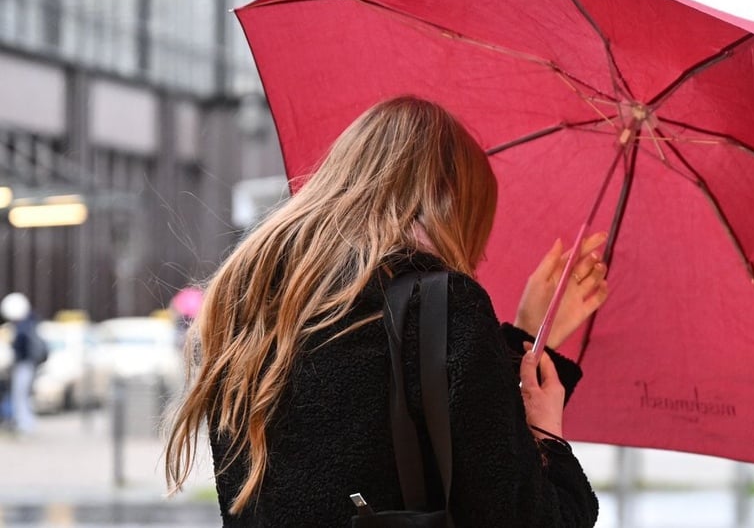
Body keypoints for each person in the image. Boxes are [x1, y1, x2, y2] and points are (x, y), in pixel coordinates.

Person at [165, 96, 609, 526]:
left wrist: (525, 336)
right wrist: (546, 433)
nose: (476, 254)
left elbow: (390, 410)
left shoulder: (251, 301)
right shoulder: (444, 304)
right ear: (449, 202)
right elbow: (523, 515)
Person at [1, 292, 43, 435]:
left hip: (23, 365)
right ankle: (25, 423)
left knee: (20, 396)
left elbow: (19, 348)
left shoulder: (22, 328)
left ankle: (25, 425)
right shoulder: (29, 323)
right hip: (28, 365)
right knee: (23, 396)